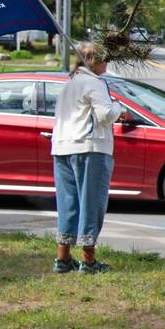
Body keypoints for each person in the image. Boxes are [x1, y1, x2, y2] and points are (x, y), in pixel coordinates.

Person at [51, 41, 124, 274]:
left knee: (68, 203)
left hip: (62, 147)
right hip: (90, 148)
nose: (107, 63)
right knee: (91, 203)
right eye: (104, 59)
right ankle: (88, 260)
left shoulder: (69, 83)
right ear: (94, 61)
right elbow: (104, 116)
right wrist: (118, 107)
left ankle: (62, 258)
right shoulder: (94, 83)